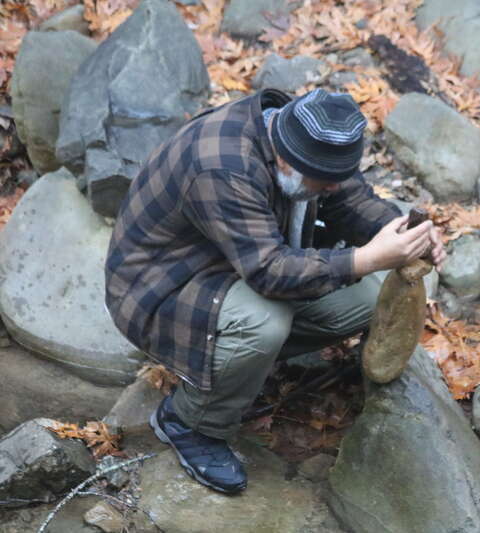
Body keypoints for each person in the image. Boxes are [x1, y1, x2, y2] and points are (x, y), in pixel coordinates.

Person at [104, 88, 446, 493]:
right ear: (286, 159)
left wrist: (403, 235)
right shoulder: (223, 166)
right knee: (265, 323)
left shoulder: (307, 134)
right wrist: (366, 258)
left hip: (241, 259)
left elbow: (351, 200)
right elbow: (268, 272)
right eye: (324, 182)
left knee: (375, 290)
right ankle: (190, 423)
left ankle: (242, 362)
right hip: (163, 287)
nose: (333, 188)